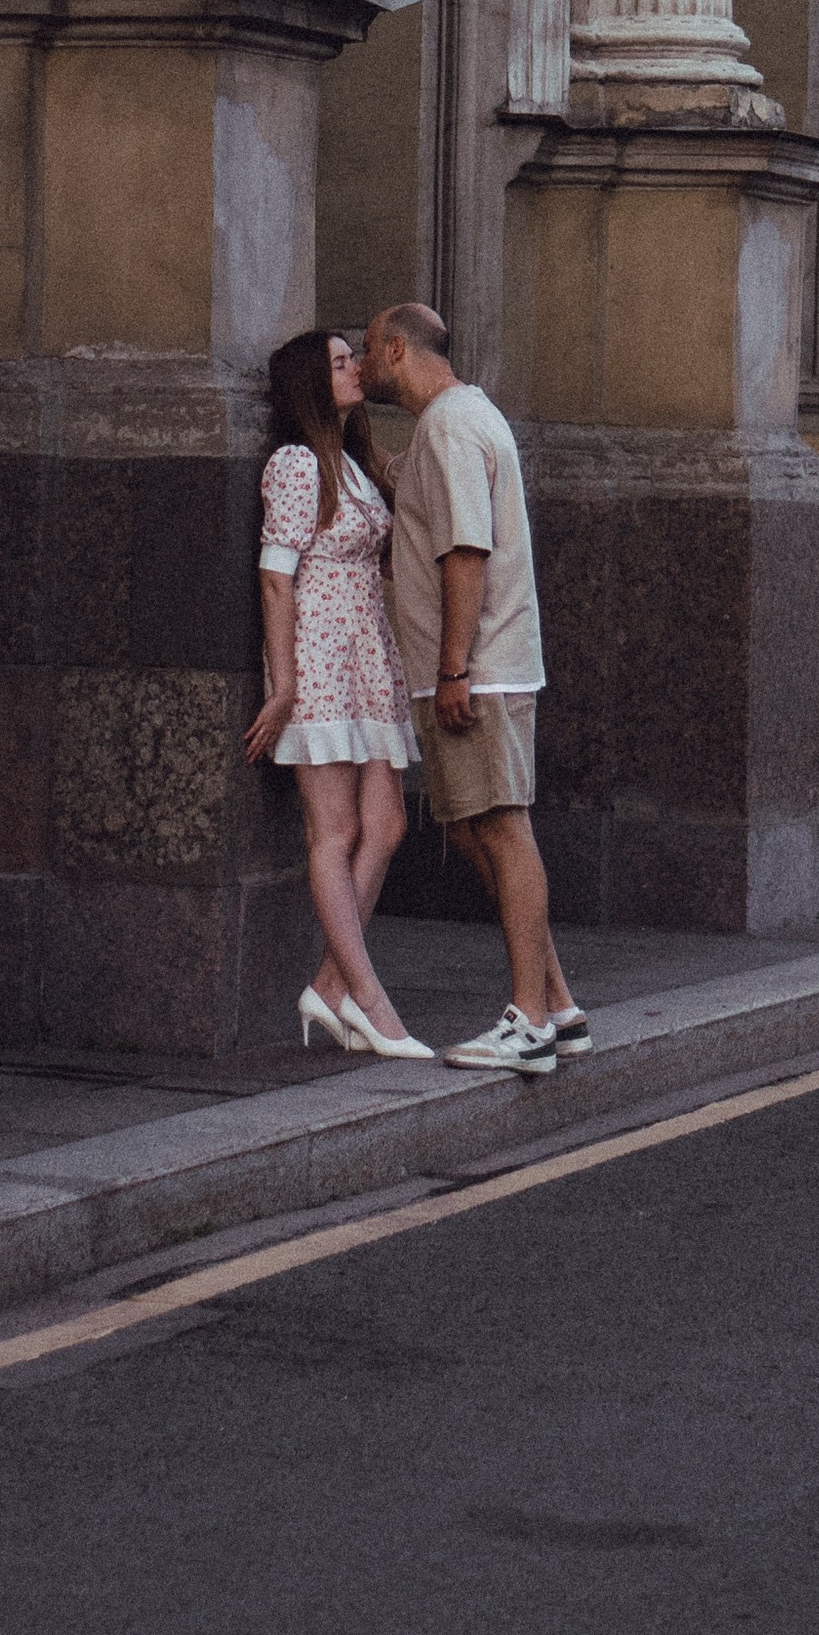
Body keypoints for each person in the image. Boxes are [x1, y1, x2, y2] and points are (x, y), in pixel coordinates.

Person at [361, 301, 585, 1077]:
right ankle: (556, 1002)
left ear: (396, 350)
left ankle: (527, 1021)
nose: (359, 366)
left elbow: (466, 551)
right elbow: (425, 506)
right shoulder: (457, 420)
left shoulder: (452, 426)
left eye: (365, 353)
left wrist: (454, 667)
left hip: (477, 671)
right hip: (476, 669)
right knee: (472, 829)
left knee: (500, 828)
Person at [242, 329, 434, 1062]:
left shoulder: (352, 461)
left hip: (367, 655)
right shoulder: (294, 465)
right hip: (319, 657)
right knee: (335, 833)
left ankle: (329, 988)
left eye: (354, 356)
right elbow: (275, 576)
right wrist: (284, 683)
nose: (355, 368)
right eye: (340, 362)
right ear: (310, 384)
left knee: (385, 825)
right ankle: (371, 1001)